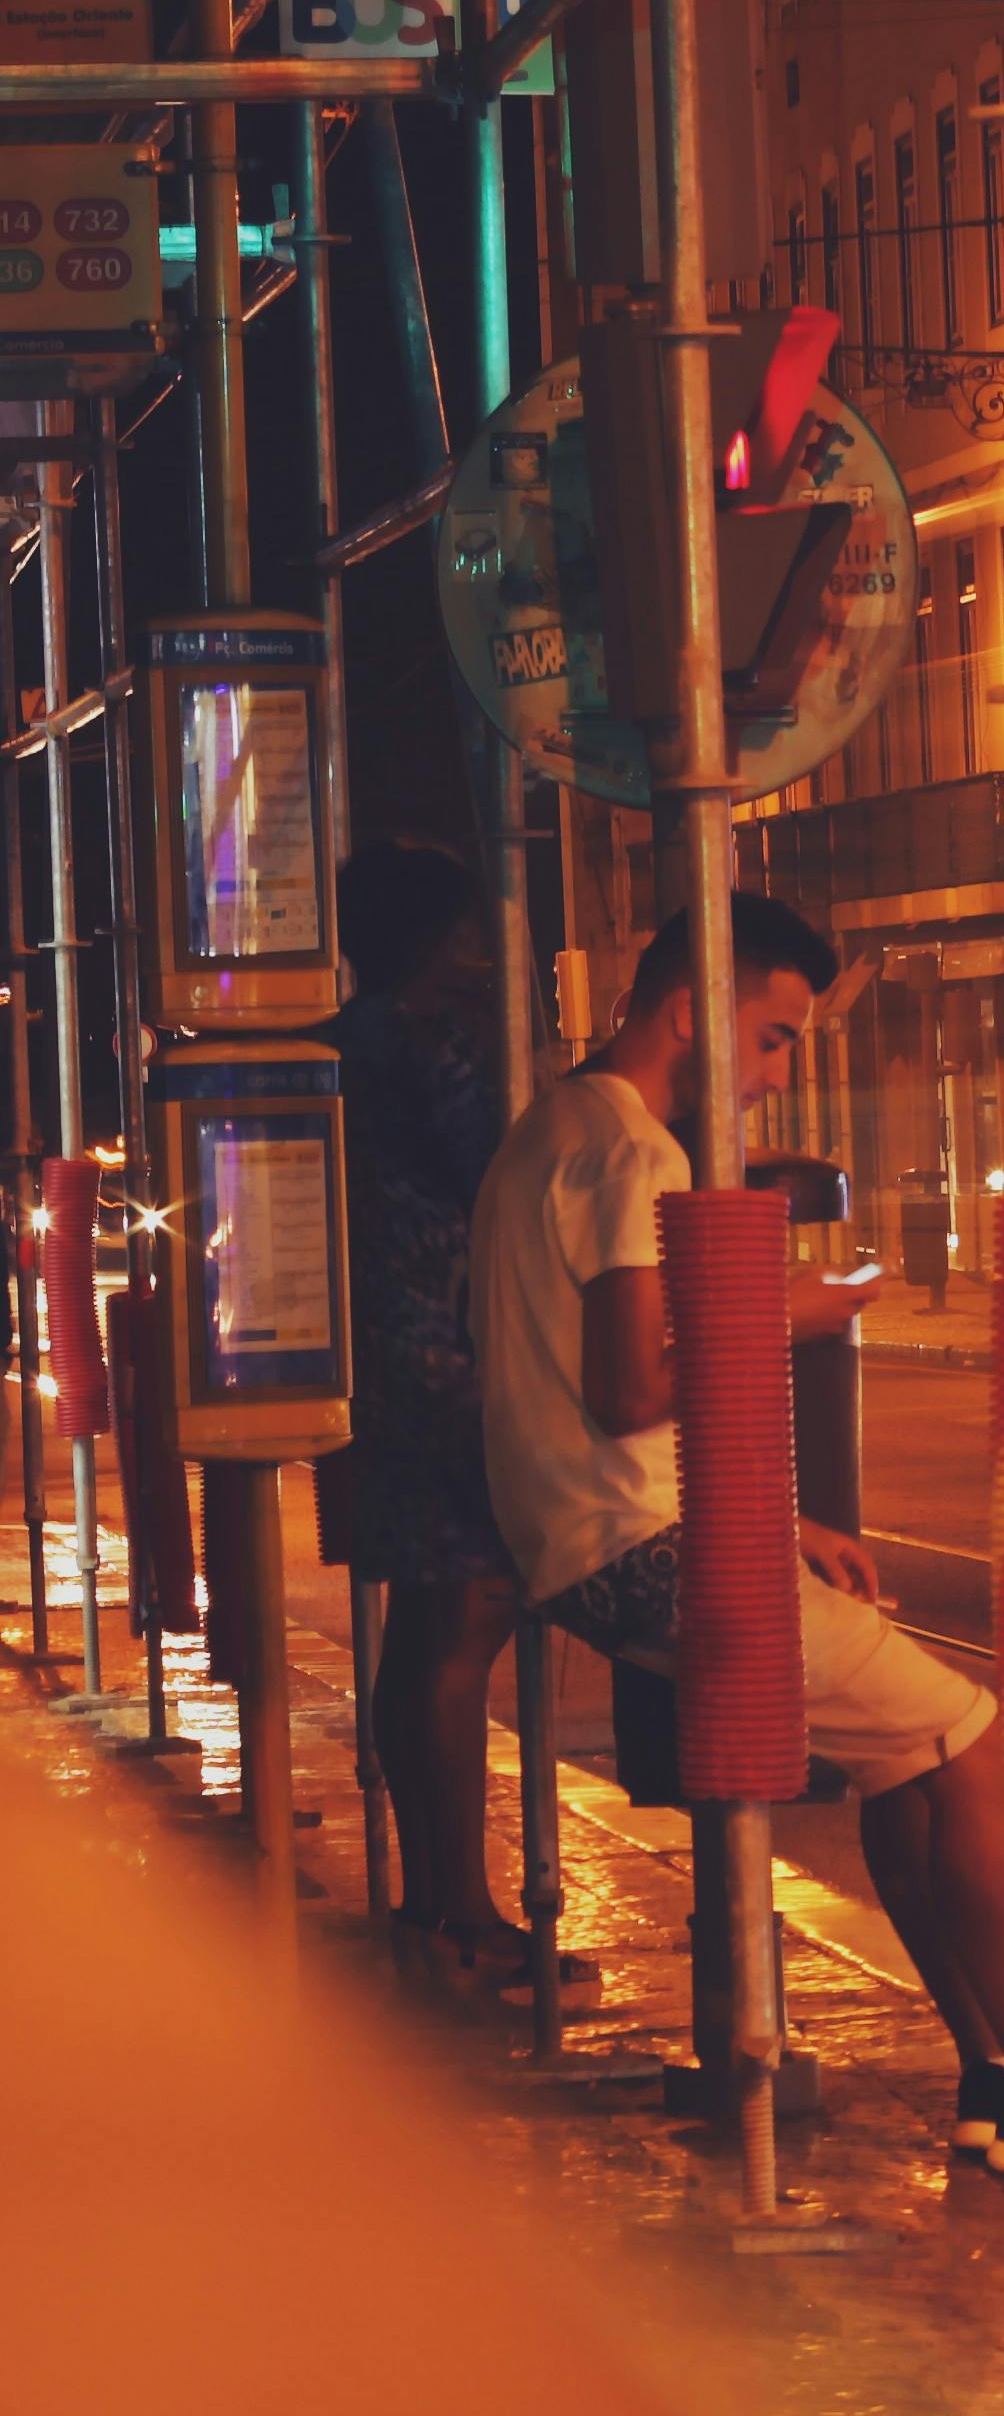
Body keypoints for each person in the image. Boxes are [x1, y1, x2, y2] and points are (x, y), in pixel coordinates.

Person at [470, 891, 1004, 2182]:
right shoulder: (639, 1155)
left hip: (591, 1538)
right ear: (692, 1015)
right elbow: (631, 1390)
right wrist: (786, 1313)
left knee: (902, 1761)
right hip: (642, 1552)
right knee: (967, 1742)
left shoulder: (545, 1132)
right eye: (775, 1038)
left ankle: (985, 2073)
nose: (776, 1071)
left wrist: (785, 1518)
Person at [321, 841, 548, 1997]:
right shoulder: (430, 1047)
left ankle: (431, 1901)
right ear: (429, 944)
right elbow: (495, 1171)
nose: (480, 959)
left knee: (422, 1629)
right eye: (466, 939)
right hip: (445, 1357)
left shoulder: (344, 1042)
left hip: (378, 1361)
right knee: (468, 1615)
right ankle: (464, 1908)